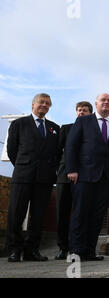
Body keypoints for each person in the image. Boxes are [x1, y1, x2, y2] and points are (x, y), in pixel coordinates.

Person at [65, 93, 109, 261]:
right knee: (80, 213)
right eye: (103, 100)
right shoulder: (83, 121)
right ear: (96, 103)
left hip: (108, 179)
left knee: (98, 216)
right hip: (84, 176)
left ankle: (89, 251)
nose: (106, 103)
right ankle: (76, 251)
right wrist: (72, 169)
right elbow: (71, 145)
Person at [6, 93, 60, 262]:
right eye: (41, 102)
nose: (44, 105)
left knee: (38, 216)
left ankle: (32, 250)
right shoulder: (19, 124)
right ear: (33, 104)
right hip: (23, 176)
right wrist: (24, 166)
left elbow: (57, 153)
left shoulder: (54, 128)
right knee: (16, 213)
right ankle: (14, 249)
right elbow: (12, 150)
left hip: (44, 179)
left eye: (47, 103)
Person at [54, 101, 93, 260]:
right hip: (64, 176)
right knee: (62, 213)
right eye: (79, 110)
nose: (81, 112)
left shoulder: (93, 131)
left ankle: (78, 247)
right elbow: (57, 152)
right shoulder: (66, 128)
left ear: (90, 113)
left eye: (84, 110)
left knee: (81, 213)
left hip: (85, 177)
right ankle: (63, 248)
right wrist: (61, 171)